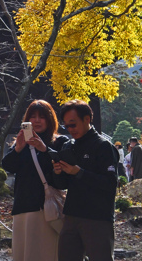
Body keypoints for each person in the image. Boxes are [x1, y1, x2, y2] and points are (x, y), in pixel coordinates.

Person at [51, 99, 118, 261]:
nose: (70, 129)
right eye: (66, 126)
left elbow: (110, 184)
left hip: (97, 217)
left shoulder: (103, 146)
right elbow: (62, 185)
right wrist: (58, 172)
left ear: (87, 119)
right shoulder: (69, 146)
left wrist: (79, 172)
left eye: (73, 124)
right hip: (72, 215)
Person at [1, 100, 68, 261]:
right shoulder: (22, 143)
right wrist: (17, 148)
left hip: (45, 209)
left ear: (50, 119)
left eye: (42, 117)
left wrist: (44, 149)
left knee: (45, 253)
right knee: (24, 254)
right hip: (23, 206)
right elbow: (8, 166)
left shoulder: (59, 142)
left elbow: (62, 172)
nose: (37, 120)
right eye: (33, 116)